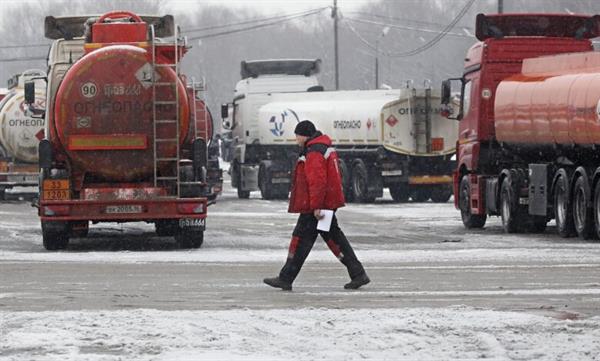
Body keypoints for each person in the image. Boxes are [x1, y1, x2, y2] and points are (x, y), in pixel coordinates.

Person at [263, 120, 370, 291]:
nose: (296, 139)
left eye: (297, 135)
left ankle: (286, 278)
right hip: (323, 203)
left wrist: (316, 206)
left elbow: (317, 181)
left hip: (317, 205)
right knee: (331, 237)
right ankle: (358, 273)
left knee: (302, 240)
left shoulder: (314, 152)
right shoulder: (321, 147)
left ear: (304, 135)